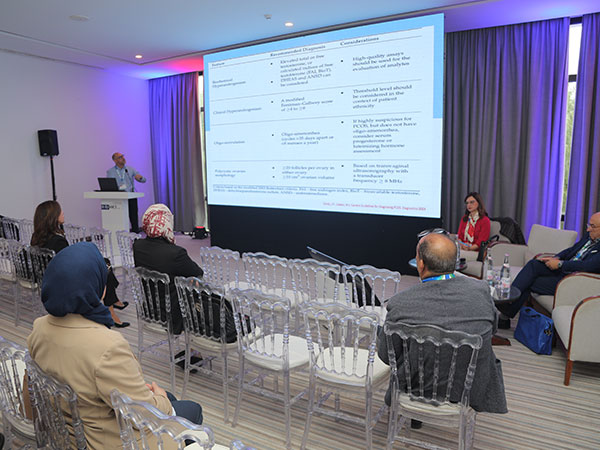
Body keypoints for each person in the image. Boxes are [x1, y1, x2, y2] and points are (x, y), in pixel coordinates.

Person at [27, 242, 202, 449]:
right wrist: (160, 399)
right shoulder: (107, 346)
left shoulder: (39, 327)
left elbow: (29, 404)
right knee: (192, 409)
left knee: (170, 398)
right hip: (107, 441)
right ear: (94, 286)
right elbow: (143, 415)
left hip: (65, 433)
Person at [377, 232, 507, 425]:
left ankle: (415, 415)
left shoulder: (400, 303)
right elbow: (492, 330)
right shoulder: (481, 291)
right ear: (454, 263)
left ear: (421, 264)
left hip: (416, 389)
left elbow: (387, 356)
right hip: (470, 389)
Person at [30, 200, 130, 328]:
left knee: (104, 263)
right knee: (104, 266)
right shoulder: (57, 241)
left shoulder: (37, 237)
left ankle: (113, 300)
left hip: (49, 277)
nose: (63, 213)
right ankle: (111, 309)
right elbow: (69, 263)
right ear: (53, 217)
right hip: (66, 279)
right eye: (60, 211)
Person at [497, 212, 600, 327]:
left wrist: (560, 264)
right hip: (564, 271)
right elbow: (571, 250)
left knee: (528, 282)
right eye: (588, 225)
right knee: (534, 265)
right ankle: (507, 302)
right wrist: (556, 257)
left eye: (593, 226)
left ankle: (505, 313)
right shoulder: (589, 236)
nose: (588, 229)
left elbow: (587, 266)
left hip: (573, 281)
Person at [106, 152, 146, 232]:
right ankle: (121, 234)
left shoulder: (130, 169)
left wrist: (140, 178)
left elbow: (144, 180)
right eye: (120, 157)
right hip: (118, 198)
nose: (123, 158)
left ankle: (135, 235)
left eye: (123, 156)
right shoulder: (110, 171)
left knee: (134, 217)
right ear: (115, 160)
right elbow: (110, 185)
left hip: (131, 196)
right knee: (120, 218)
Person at [457, 192, 491, 262]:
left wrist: (469, 248)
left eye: (472, 202)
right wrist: (462, 245)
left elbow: (481, 242)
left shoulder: (485, 220)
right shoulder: (464, 219)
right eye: (467, 203)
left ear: (479, 203)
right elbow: (459, 237)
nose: (469, 205)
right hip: (463, 249)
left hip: (476, 252)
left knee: (454, 255)